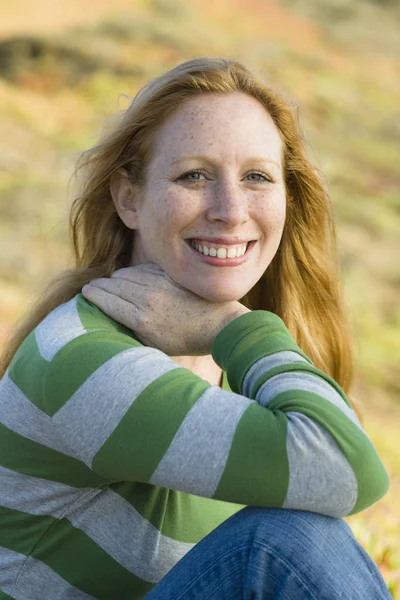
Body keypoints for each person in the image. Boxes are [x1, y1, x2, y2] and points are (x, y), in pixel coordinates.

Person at [0, 57, 392, 600]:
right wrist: (240, 327)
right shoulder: (84, 358)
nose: (231, 211)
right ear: (128, 197)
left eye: (257, 177)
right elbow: (349, 472)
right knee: (283, 541)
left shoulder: (224, 368)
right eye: (193, 176)